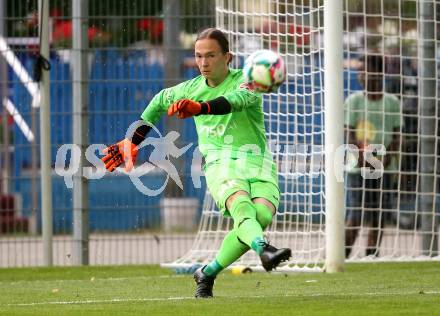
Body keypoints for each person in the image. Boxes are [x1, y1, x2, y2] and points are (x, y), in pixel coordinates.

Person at [101, 28, 291, 298]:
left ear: (228, 57)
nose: (203, 62)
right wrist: (132, 141)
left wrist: (199, 108)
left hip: (258, 161)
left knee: (260, 217)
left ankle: (208, 272)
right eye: (199, 56)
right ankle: (264, 249)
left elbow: (233, 102)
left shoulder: (247, 82)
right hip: (220, 163)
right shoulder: (189, 88)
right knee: (243, 209)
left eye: (211, 55)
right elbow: (157, 102)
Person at [344, 54, 401, 258]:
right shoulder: (354, 101)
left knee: (379, 215)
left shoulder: (392, 103)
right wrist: (358, 155)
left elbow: (397, 134)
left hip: (384, 167)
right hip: (357, 168)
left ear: (379, 73)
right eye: (359, 71)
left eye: (365, 70)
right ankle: (343, 255)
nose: (361, 75)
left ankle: (371, 255)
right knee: (357, 215)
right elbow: (348, 131)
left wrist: (387, 158)